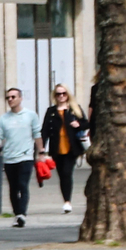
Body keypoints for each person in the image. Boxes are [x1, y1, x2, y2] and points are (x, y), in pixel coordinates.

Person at [0, 86, 40, 229]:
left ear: (20, 98)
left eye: (13, 97)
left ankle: (22, 214)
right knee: (13, 187)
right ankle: (17, 214)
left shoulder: (30, 115)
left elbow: (37, 134)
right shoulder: (4, 119)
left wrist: (41, 151)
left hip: (25, 156)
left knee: (23, 184)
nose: (10, 100)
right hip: (9, 157)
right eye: (8, 98)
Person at [41, 84, 90, 213]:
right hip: (57, 148)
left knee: (67, 173)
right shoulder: (51, 111)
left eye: (64, 93)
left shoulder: (74, 109)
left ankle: (68, 201)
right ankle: (66, 199)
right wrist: (41, 148)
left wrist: (78, 124)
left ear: (68, 95)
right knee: (62, 175)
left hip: (71, 147)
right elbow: (45, 131)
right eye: (58, 94)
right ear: (55, 96)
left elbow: (86, 123)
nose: (61, 96)